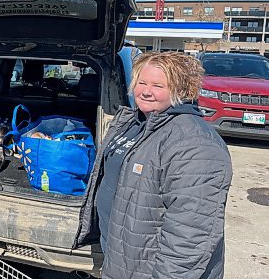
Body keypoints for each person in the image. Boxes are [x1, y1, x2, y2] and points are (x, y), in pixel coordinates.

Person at [94, 52, 232, 278]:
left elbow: (191, 234)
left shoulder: (194, 144)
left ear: (182, 90)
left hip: (153, 270)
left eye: (158, 85)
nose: (146, 91)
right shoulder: (136, 123)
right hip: (123, 259)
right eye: (141, 82)